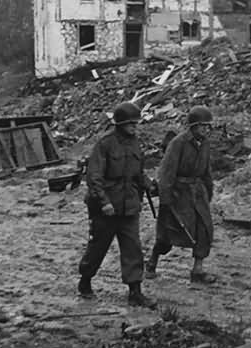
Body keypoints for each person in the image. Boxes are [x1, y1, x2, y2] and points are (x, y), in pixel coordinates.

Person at [77, 101, 157, 308]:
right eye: (131, 123)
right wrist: (104, 202)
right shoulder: (105, 144)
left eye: (136, 123)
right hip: (106, 208)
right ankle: (85, 281)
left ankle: (135, 291)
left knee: (133, 248)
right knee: (98, 247)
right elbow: (94, 177)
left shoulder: (135, 143)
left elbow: (138, 173)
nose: (134, 126)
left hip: (129, 205)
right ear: (120, 123)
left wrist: (150, 186)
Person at [146, 106, 217, 283]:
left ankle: (197, 270)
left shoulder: (206, 144)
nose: (205, 129)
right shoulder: (178, 143)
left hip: (197, 191)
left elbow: (206, 170)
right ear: (193, 126)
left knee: (204, 229)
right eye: (202, 126)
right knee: (168, 231)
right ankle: (152, 261)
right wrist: (166, 198)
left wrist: (208, 190)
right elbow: (166, 172)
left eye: (207, 126)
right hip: (179, 193)